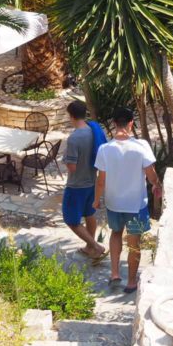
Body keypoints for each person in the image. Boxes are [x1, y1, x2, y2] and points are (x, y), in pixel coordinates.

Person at [93, 106, 162, 294]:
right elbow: (151, 175)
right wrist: (157, 185)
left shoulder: (105, 149)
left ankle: (115, 273)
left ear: (114, 124)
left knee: (116, 233)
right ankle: (131, 282)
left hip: (114, 204)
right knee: (134, 244)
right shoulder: (142, 147)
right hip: (136, 205)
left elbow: (101, 180)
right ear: (131, 123)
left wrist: (96, 200)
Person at [62, 100, 106, 260]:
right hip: (91, 182)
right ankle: (89, 247)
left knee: (71, 220)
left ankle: (96, 246)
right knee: (89, 214)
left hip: (76, 185)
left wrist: (65, 159)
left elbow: (72, 167)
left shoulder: (74, 138)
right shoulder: (94, 130)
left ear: (71, 116)